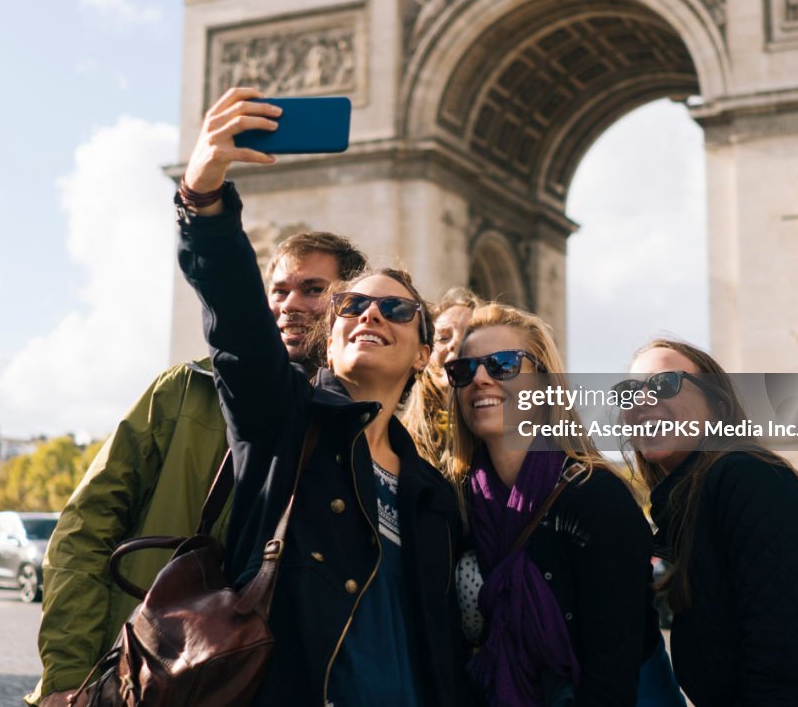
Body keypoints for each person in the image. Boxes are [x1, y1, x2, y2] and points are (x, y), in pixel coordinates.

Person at [176, 85, 471, 706]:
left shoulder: (435, 494)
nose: (369, 315)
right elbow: (234, 315)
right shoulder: (279, 417)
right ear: (327, 337)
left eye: (394, 309)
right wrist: (202, 198)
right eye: (352, 304)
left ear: (423, 353)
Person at [28, 227, 367, 707]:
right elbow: (84, 529)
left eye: (313, 289)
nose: (289, 304)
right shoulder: (183, 390)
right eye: (279, 290)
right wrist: (68, 674)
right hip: (150, 675)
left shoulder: (368, 432)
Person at [622, 338, 798, 707]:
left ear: (717, 404)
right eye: (629, 392)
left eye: (665, 384)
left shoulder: (745, 477)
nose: (644, 400)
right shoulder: (688, 505)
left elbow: (782, 656)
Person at [445, 303, 679, 706]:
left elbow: (612, 676)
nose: (480, 378)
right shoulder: (454, 504)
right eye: (464, 370)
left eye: (503, 364)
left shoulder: (598, 497)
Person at [401, 286, 481, 468]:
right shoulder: (397, 438)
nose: (455, 344)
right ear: (424, 356)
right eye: (443, 338)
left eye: (469, 337)